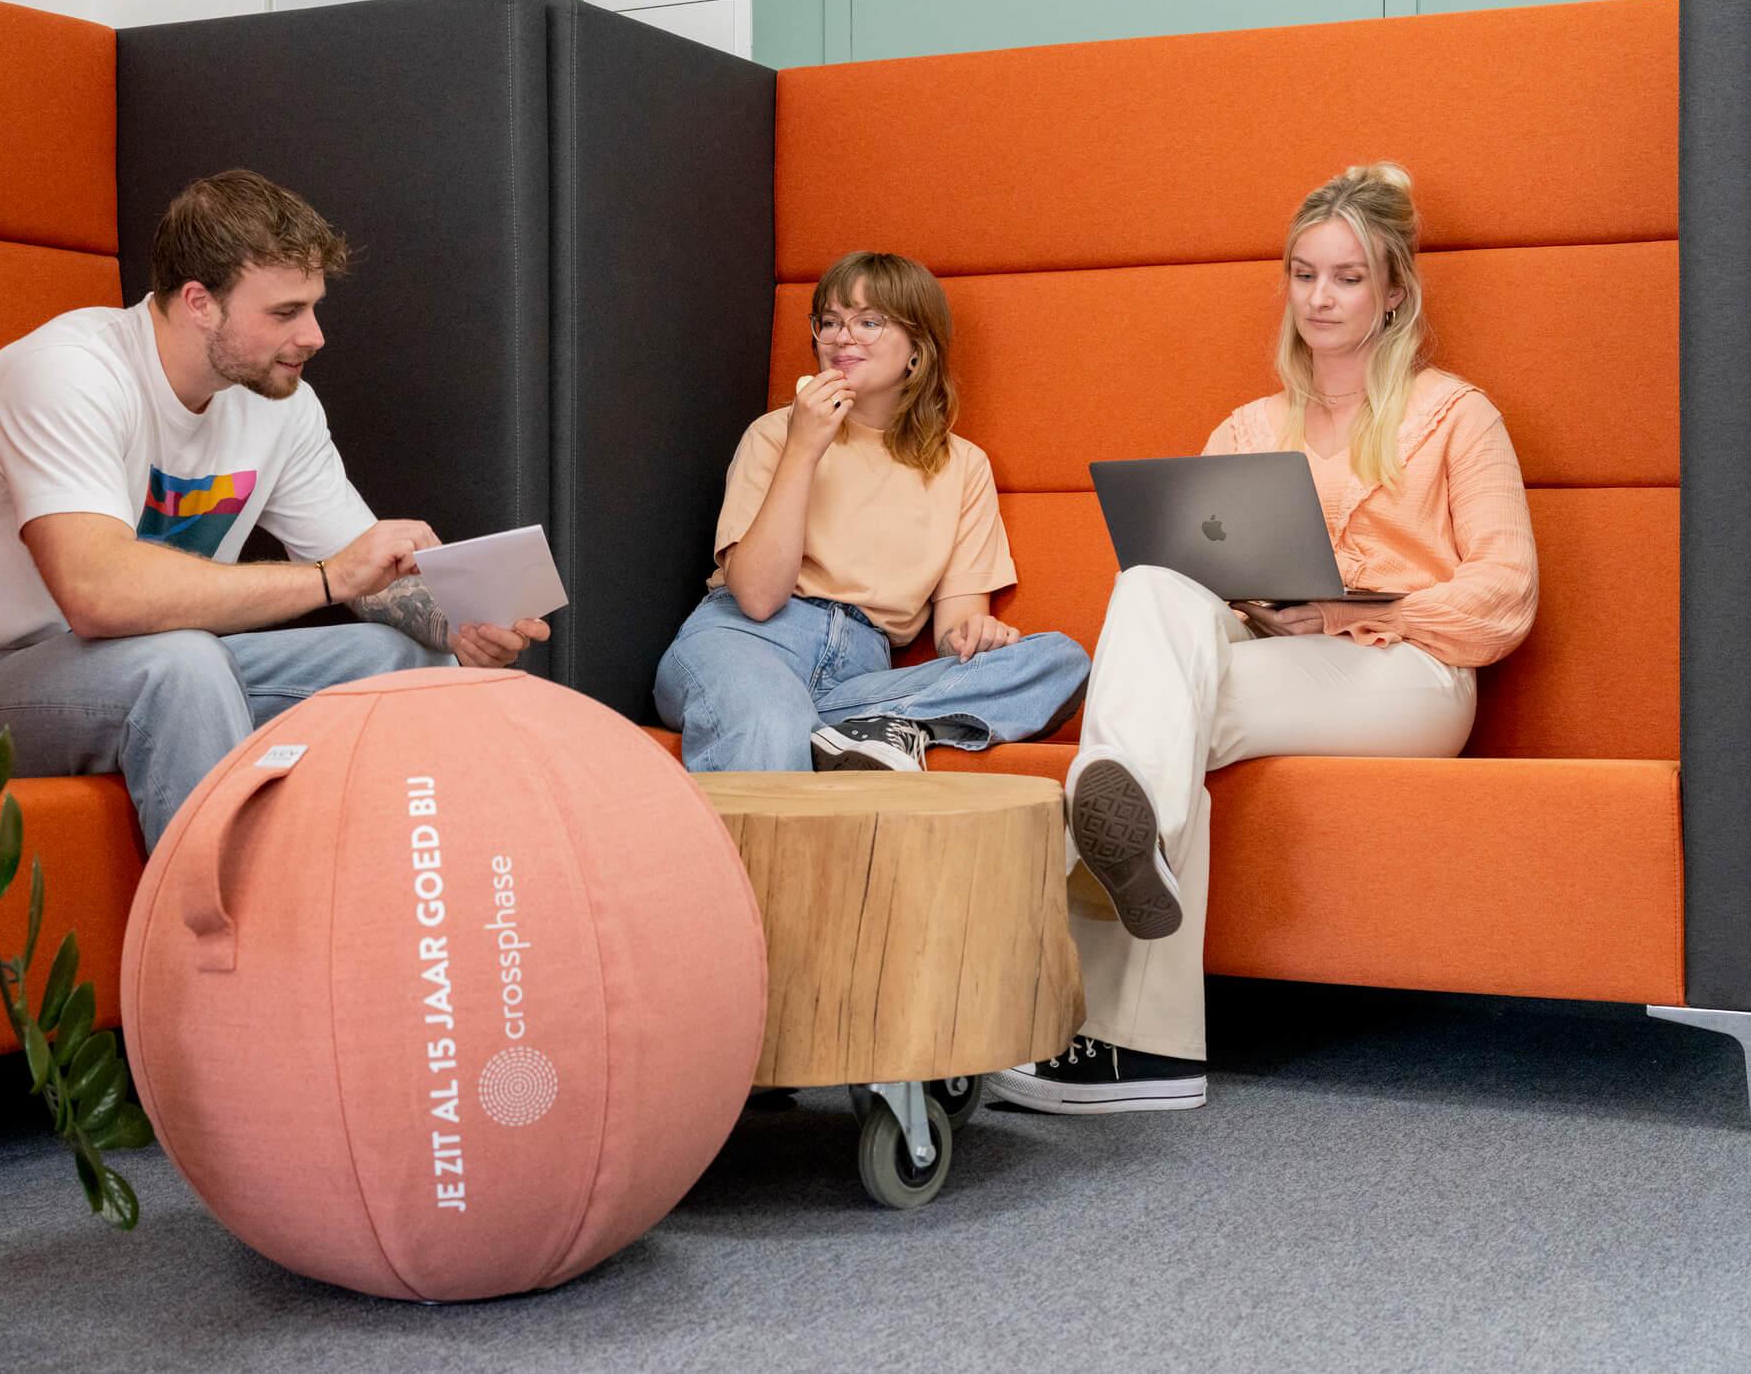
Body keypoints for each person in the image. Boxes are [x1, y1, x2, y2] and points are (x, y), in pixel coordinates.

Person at [990, 163, 1538, 1114]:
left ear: (1393, 292)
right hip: (1272, 658)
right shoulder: (1249, 427)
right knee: (1152, 584)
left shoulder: (1457, 415)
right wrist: (1258, 605)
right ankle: (1135, 875)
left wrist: (1355, 611)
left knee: (1155, 720)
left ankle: (1133, 1033)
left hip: (1409, 677)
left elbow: (1507, 596)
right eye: (1303, 274)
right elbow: (1190, 590)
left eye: (1347, 277)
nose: (1320, 297)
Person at [0, 169, 551, 850]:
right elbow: (96, 594)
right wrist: (328, 578)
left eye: (314, 307)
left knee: (398, 655)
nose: (315, 335)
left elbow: (370, 575)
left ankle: (399, 894)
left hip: (165, 667)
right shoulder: (68, 373)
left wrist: (460, 623)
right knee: (182, 666)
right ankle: (226, 918)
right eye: (285, 313)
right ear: (199, 302)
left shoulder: (279, 405)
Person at [653, 250, 1088, 774]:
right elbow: (758, 598)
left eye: (868, 322)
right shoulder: (774, 434)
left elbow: (955, 630)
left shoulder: (963, 465)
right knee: (771, 718)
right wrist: (803, 449)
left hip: (860, 676)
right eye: (829, 321)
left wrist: (976, 636)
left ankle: (856, 732)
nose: (842, 338)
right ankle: (861, 733)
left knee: (1058, 661)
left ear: (916, 351)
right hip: (746, 644)